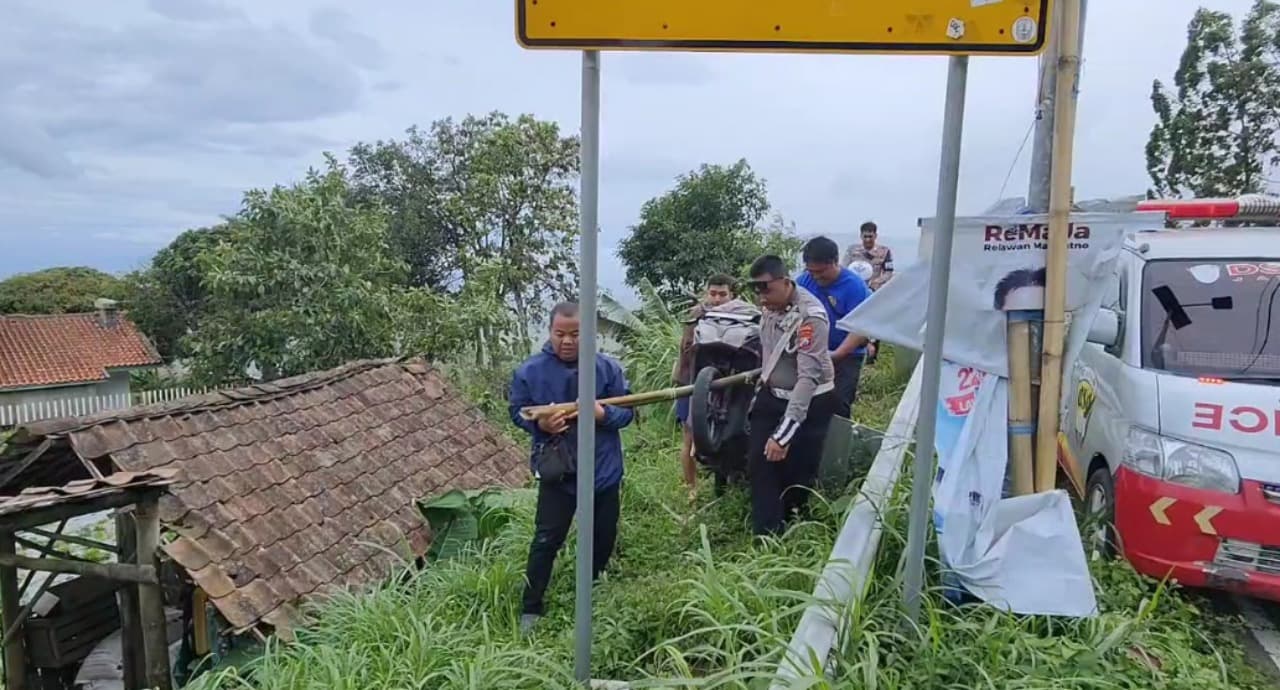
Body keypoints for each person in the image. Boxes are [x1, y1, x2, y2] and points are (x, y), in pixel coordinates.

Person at [508, 302, 635, 634]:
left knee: (603, 535)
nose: (567, 341)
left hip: (602, 471)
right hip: (559, 473)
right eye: (560, 334)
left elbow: (628, 413)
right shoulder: (529, 372)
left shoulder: (607, 369)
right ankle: (531, 607)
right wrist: (543, 426)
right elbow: (518, 412)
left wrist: (602, 415)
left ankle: (591, 588)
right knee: (546, 540)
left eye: (576, 334)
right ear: (550, 332)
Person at [745, 255, 837, 536]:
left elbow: (807, 379)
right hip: (772, 393)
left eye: (766, 288)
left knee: (797, 472)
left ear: (785, 282)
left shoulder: (810, 318)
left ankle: (794, 527)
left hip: (809, 400)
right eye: (756, 290)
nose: (761, 298)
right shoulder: (770, 306)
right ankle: (767, 536)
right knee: (759, 463)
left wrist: (784, 434)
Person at [671, 275, 737, 497]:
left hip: (727, 382)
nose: (717, 299)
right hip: (691, 380)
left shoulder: (742, 315)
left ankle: (727, 481)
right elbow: (687, 348)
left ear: (732, 295)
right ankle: (691, 489)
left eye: (722, 294)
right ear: (705, 293)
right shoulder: (697, 315)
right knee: (689, 436)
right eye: (713, 293)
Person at [797, 236, 871, 417]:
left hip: (846, 356)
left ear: (834, 262)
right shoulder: (804, 282)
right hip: (812, 352)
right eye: (811, 271)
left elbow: (860, 329)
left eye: (820, 271)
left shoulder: (854, 287)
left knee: (839, 402)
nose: (816, 276)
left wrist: (837, 354)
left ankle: (836, 442)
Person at [844, 221, 895, 291]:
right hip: (853, 288)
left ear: (875, 236)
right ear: (861, 236)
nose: (867, 240)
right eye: (865, 236)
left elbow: (888, 272)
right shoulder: (852, 250)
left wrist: (877, 281)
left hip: (873, 289)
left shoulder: (884, 251)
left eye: (870, 236)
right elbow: (844, 268)